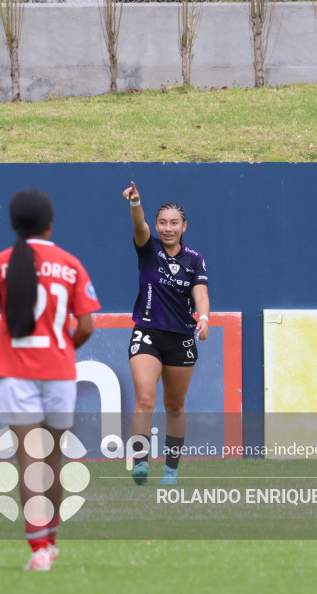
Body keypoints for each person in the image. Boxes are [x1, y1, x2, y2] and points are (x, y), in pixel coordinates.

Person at [0, 189, 100, 572]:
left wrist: (0, 360)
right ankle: (53, 541)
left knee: (29, 459)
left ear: (13, 224)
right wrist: (65, 348)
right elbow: (87, 326)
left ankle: (38, 550)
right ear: (50, 224)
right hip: (60, 371)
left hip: (17, 372)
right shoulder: (70, 264)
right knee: (55, 459)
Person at [121, 181, 210, 487]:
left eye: (174, 223)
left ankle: (171, 469)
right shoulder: (148, 248)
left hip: (181, 339)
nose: (167, 228)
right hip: (147, 334)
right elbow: (139, 224)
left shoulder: (194, 259)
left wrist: (205, 317)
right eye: (163, 222)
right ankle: (141, 461)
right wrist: (135, 203)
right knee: (145, 398)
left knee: (175, 406)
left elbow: (201, 293)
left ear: (184, 226)